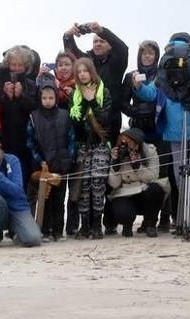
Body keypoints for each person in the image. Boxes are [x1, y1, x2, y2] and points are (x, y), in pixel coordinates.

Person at [135, 33, 190, 231]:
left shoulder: (165, 67)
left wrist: (138, 86)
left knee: (179, 175)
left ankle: (182, 221)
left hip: (173, 131)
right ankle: (187, 219)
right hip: (186, 126)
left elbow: (150, 93)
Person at [121, 40, 172, 232]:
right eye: (144, 53)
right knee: (142, 172)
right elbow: (123, 103)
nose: (147, 56)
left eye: (151, 53)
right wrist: (136, 112)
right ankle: (147, 219)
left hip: (160, 130)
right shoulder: (130, 76)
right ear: (139, 55)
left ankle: (164, 218)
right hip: (139, 132)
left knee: (163, 174)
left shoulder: (163, 75)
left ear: (157, 56)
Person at [26, 77, 76, 241]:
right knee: (45, 199)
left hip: (61, 165)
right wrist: (39, 160)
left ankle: (58, 230)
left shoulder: (64, 115)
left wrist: (68, 157)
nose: (47, 101)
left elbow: (71, 139)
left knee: (59, 199)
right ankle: (45, 230)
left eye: (51, 97)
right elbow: (30, 141)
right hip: (44, 165)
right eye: (44, 98)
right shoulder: (34, 117)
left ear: (56, 98)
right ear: (40, 99)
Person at [69, 57, 112, 239]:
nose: (82, 74)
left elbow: (105, 119)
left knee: (98, 184)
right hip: (82, 145)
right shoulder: (74, 94)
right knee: (84, 185)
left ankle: (97, 226)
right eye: (78, 72)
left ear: (91, 71)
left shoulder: (105, 91)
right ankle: (84, 226)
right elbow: (75, 122)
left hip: (100, 144)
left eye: (85, 70)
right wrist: (85, 101)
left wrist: (93, 100)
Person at [63, 22, 128, 140]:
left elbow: (122, 48)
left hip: (110, 121)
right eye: (95, 41)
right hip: (85, 121)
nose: (98, 44)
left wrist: (101, 31)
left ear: (110, 45)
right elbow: (71, 55)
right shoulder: (87, 60)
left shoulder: (116, 63)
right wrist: (68, 36)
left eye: (102, 41)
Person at [107, 128, 169, 237]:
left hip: (144, 189)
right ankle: (127, 225)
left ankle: (150, 224)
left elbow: (153, 176)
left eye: (130, 143)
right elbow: (114, 184)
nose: (127, 147)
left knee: (155, 190)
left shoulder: (150, 151)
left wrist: (138, 166)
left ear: (137, 144)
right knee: (122, 212)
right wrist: (115, 166)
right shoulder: (117, 152)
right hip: (126, 192)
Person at [0, 45, 39, 187]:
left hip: (24, 142)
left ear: (26, 66)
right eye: (13, 64)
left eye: (20, 64)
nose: (16, 68)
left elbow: (35, 109)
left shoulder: (32, 85)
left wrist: (20, 97)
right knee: (3, 181)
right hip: (3, 140)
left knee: (23, 182)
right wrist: (6, 97)